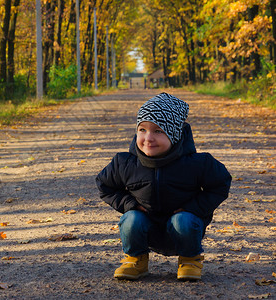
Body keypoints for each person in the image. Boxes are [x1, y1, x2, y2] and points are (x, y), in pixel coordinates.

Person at [96, 92, 231, 281]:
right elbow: (104, 184)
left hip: (182, 228)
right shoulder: (124, 163)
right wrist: (129, 205)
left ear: (175, 134)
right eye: (142, 130)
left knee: (183, 220)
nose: (148, 138)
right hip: (145, 226)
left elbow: (221, 183)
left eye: (158, 131)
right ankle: (136, 259)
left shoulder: (197, 163)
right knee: (130, 218)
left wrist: (193, 208)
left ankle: (190, 259)